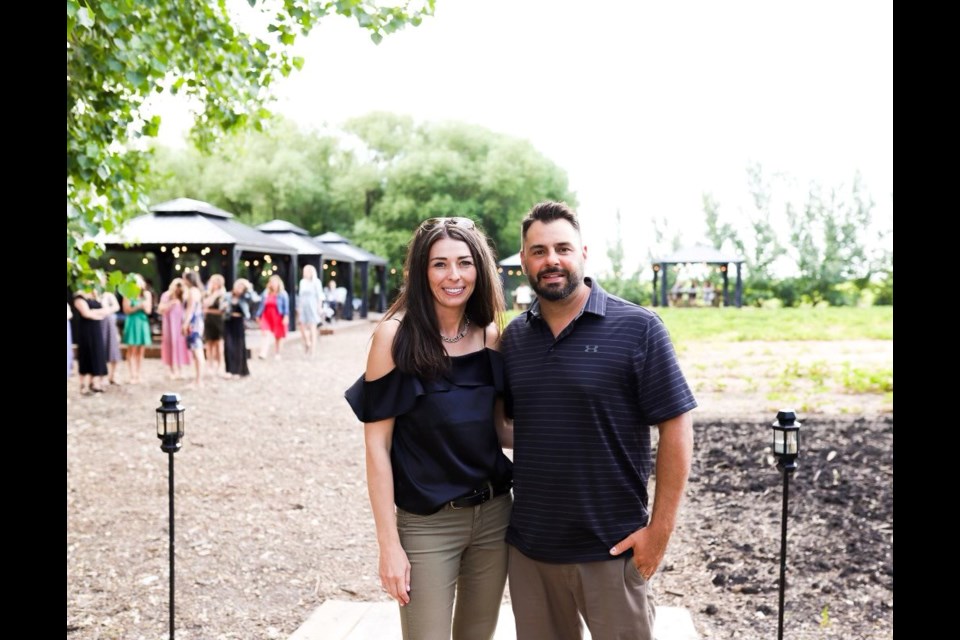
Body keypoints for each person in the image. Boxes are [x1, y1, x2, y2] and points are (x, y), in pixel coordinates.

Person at [499, 201, 697, 640]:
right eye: (538, 251)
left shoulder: (638, 327)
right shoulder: (514, 339)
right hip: (532, 553)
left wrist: (659, 532)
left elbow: (676, 427)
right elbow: (517, 424)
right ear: (525, 261)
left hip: (613, 550)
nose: (551, 260)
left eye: (562, 248)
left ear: (583, 253)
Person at [344, 216, 513, 640]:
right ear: (421, 271)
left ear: (480, 269)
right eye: (439, 264)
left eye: (464, 263)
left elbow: (499, 431)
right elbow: (377, 448)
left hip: (494, 518)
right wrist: (389, 545)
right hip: (426, 526)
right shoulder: (393, 338)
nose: (453, 276)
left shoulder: (491, 336)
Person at [121, 273, 153, 384]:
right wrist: (139, 306)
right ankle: (132, 375)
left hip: (142, 322)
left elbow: (149, 310)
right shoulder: (128, 294)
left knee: (141, 350)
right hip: (132, 322)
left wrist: (144, 306)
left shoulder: (147, 294)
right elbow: (126, 310)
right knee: (131, 350)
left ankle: (138, 374)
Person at [157, 278, 191, 380]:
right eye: (177, 285)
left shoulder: (184, 297)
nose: (178, 288)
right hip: (169, 325)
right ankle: (172, 370)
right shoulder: (166, 295)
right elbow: (160, 309)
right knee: (170, 345)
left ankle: (180, 369)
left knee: (181, 345)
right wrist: (171, 303)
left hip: (180, 325)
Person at [223, 278, 256, 378]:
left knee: (238, 347)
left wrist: (247, 290)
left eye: (242, 286)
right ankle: (229, 370)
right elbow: (222, 307)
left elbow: (255, 299)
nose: (239, 288)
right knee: (228, 346)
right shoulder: (228, 295)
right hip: (229, 321)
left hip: (239, 323)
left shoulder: (246, 297)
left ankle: (238, 370)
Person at [181, 270, 207, 385]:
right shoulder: (196, 291)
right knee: (196, 350)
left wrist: (185, 323)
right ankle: (198, 378)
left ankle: (199, 380)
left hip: (194, 324)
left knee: (197, 350)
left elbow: (190, 309)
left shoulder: (192, 291)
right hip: (197, 323)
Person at [256, 274, 289, 359]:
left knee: (278, 336)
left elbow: (286, 307)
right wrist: (258, 315)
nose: (273, 284)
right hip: (266, 315)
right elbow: (261, 305)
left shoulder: (283, 294)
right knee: (265, 333)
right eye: (271, 282)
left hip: (277, 315)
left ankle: (277, 353)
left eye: (275, 282)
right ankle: (263, 352)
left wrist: (285, 317)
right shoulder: (266, 293)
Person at [296, 265, 324, 356]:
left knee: (313, 328)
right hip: (304, 305)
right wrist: (299, 307)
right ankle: (307, 342)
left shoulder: (316, 282)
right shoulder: (302, 282)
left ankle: (312, 350)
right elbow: (300, 296)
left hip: (312, 305)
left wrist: (319, 307)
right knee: (301, 326)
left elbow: (319, 296)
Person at [203, 274, 227, 376]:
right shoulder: (207, 294)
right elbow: (204, 306)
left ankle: (220, 365)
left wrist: (209, 310)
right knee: (209, 345)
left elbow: (222, 311)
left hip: (219, 322)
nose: (215, 284)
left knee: (219, 345)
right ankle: (209, 365)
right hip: (209, 321)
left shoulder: (223, 295)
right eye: (213, 282)